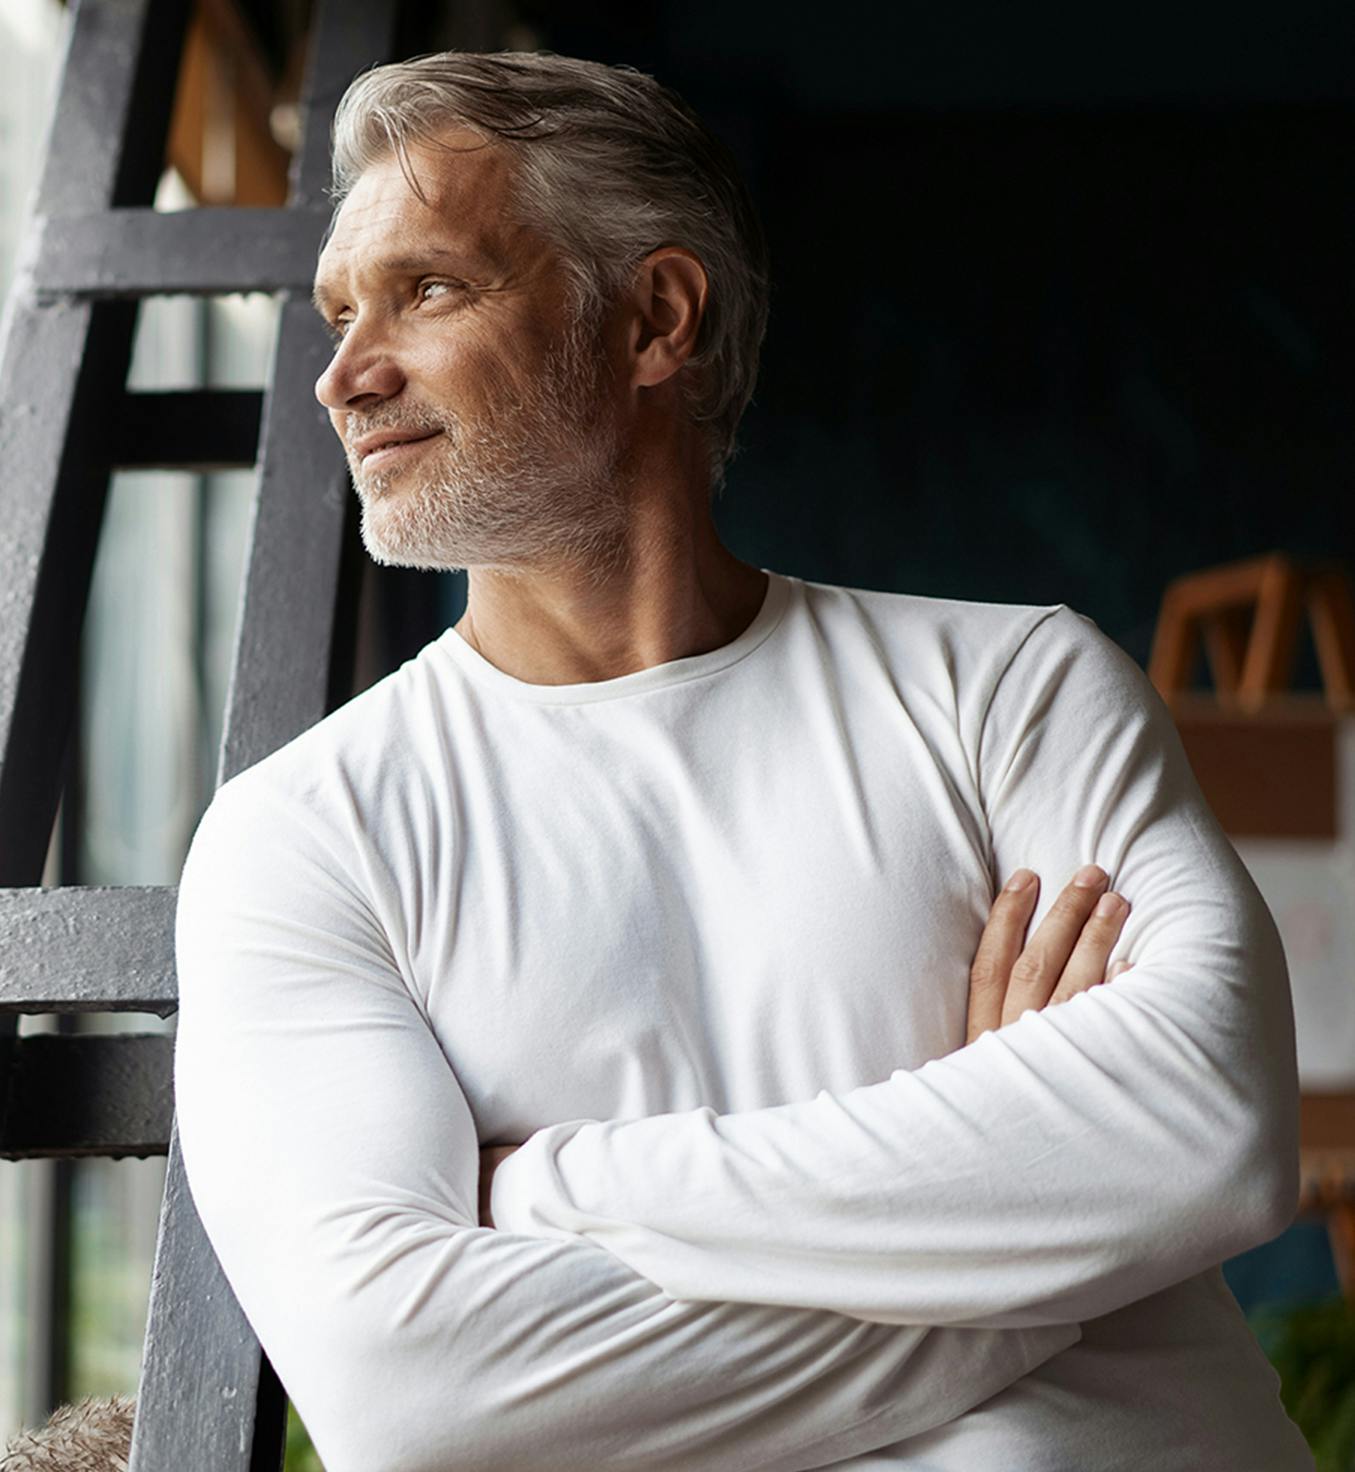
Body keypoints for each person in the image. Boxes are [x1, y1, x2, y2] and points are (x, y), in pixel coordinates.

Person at [172, 50, 1312, 1470]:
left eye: (430, 289)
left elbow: (1213, 1128)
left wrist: (557, 1188)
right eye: (339, 312)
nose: (346, 374)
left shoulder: (1012, 687)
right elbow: (405, 1392)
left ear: (655, 317)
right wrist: (1034, 1253)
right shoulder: (302, 836)